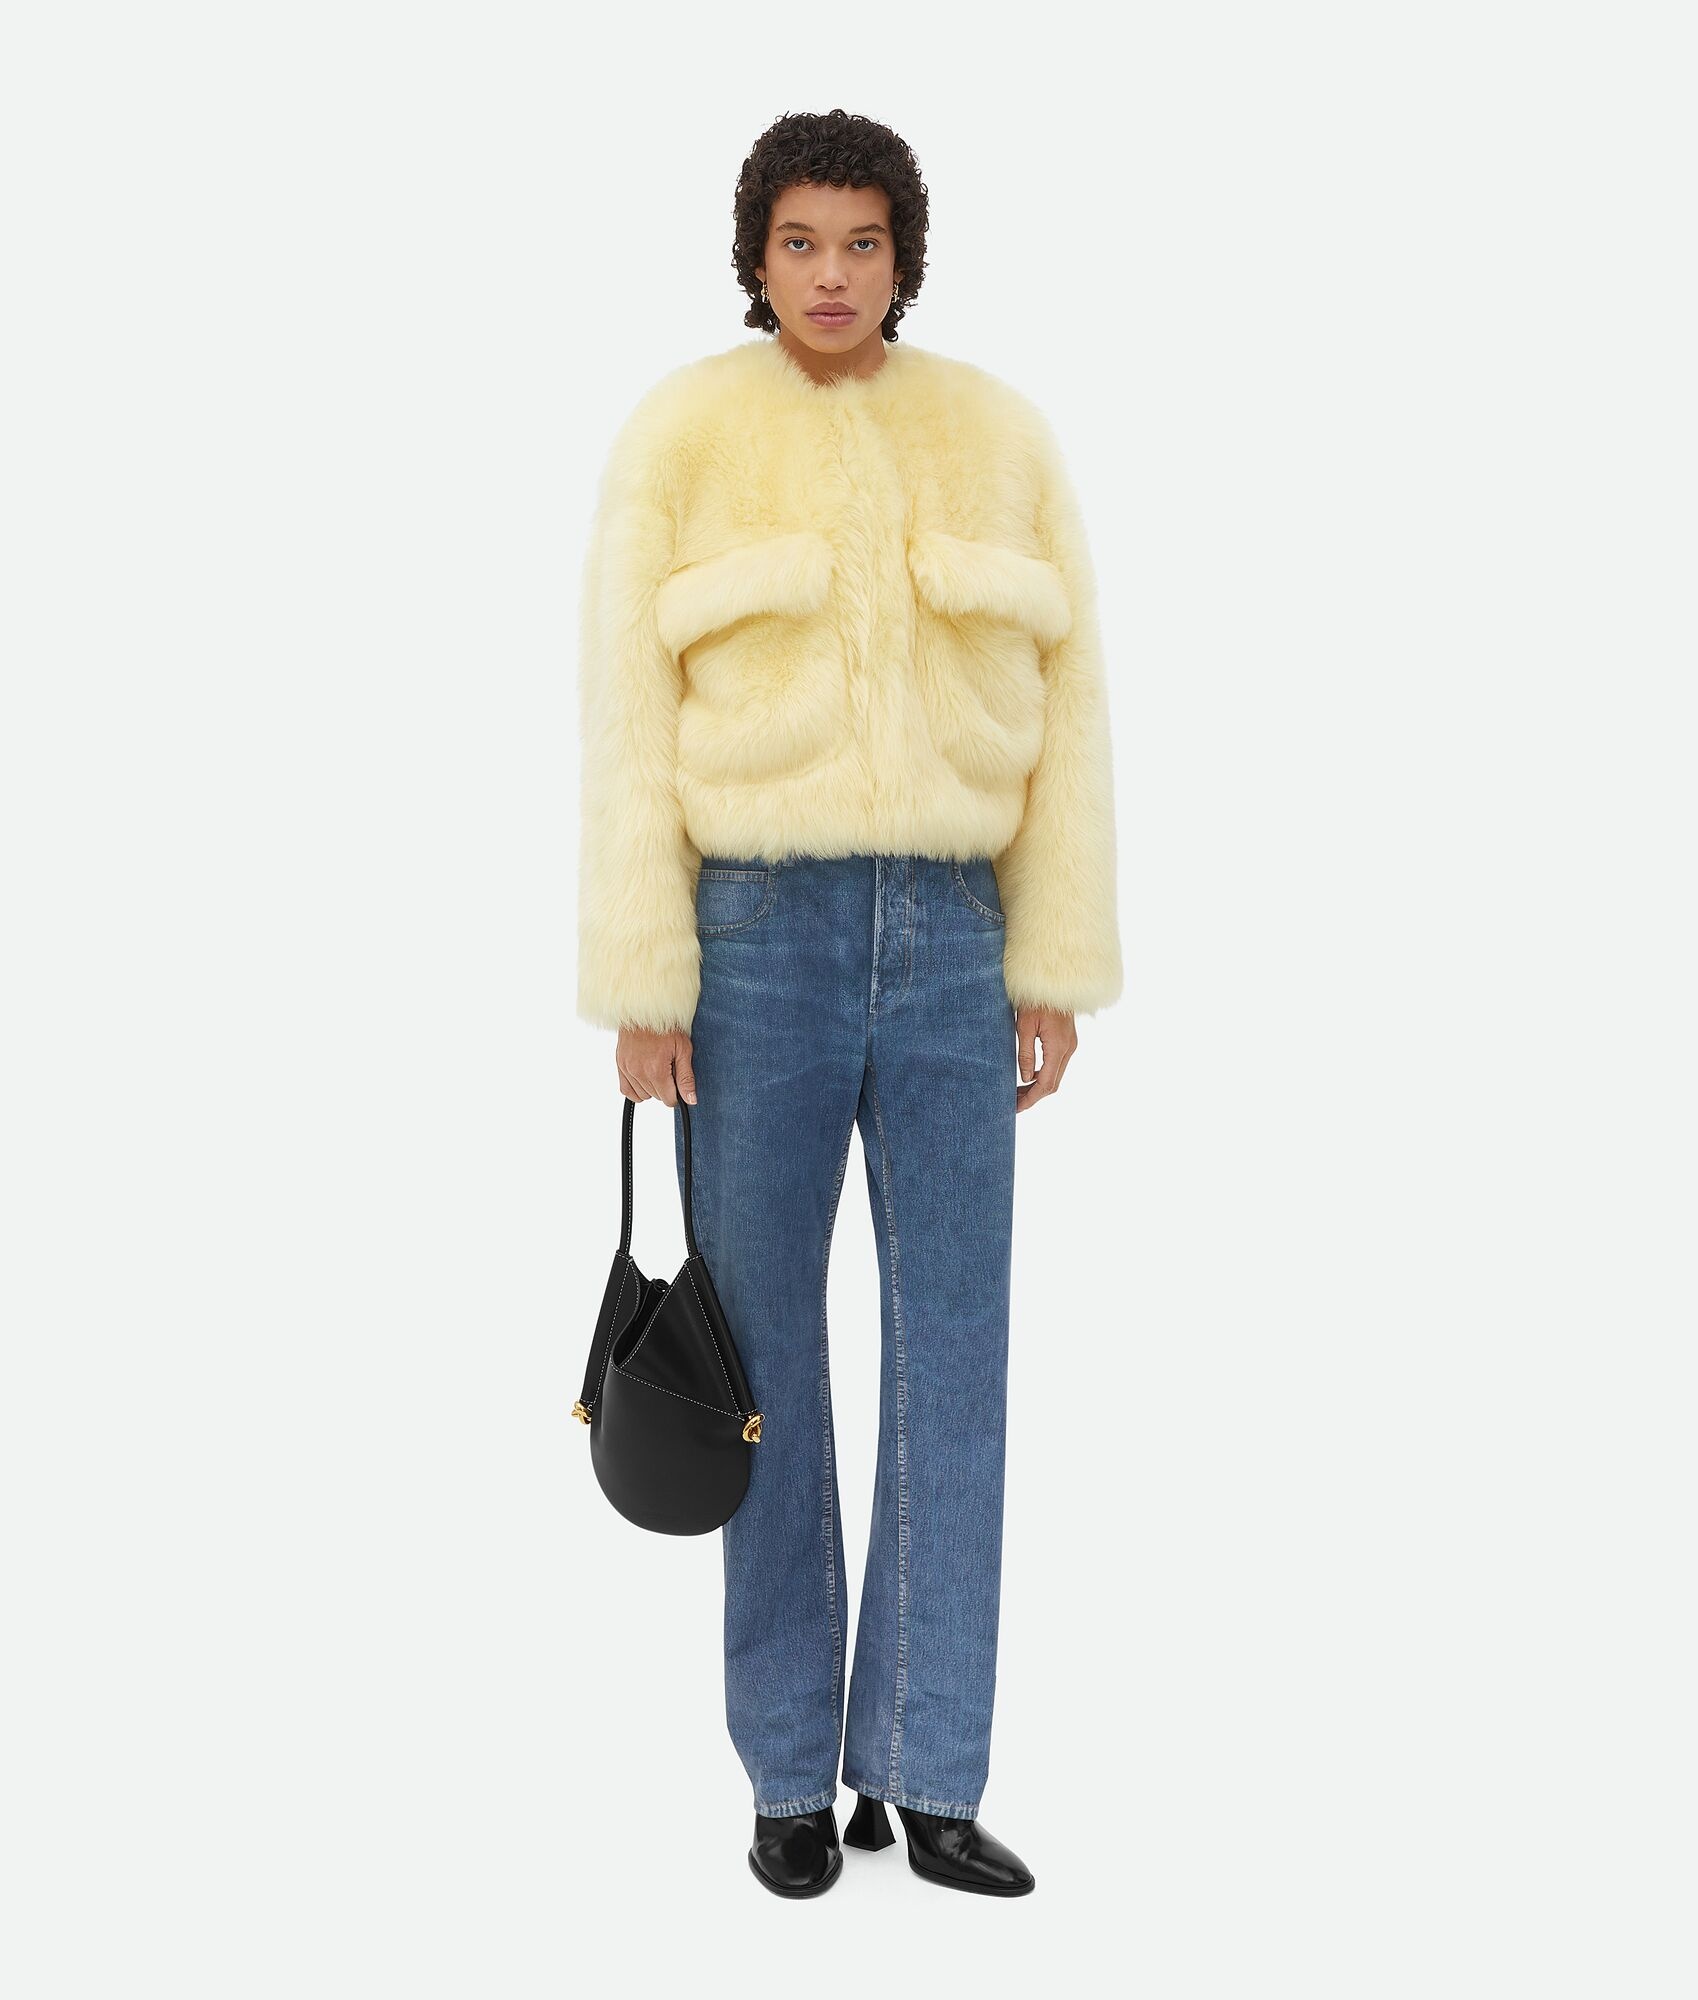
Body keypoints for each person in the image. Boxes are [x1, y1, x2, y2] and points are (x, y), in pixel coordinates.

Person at [575, 109, 1123, 1898]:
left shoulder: (999, 437)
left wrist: (1048, 964)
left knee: (957, 1347)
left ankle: (928, 1768)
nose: (830, 274)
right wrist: (644, 978)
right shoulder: (682, 435)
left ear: (905, 255)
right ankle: (787, 1780)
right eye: (799, 241)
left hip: (957, 937)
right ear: (755, 256)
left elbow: (1073, 718)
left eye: (862, 242)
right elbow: (624, 724)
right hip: (754, 940)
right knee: (765, 1362)